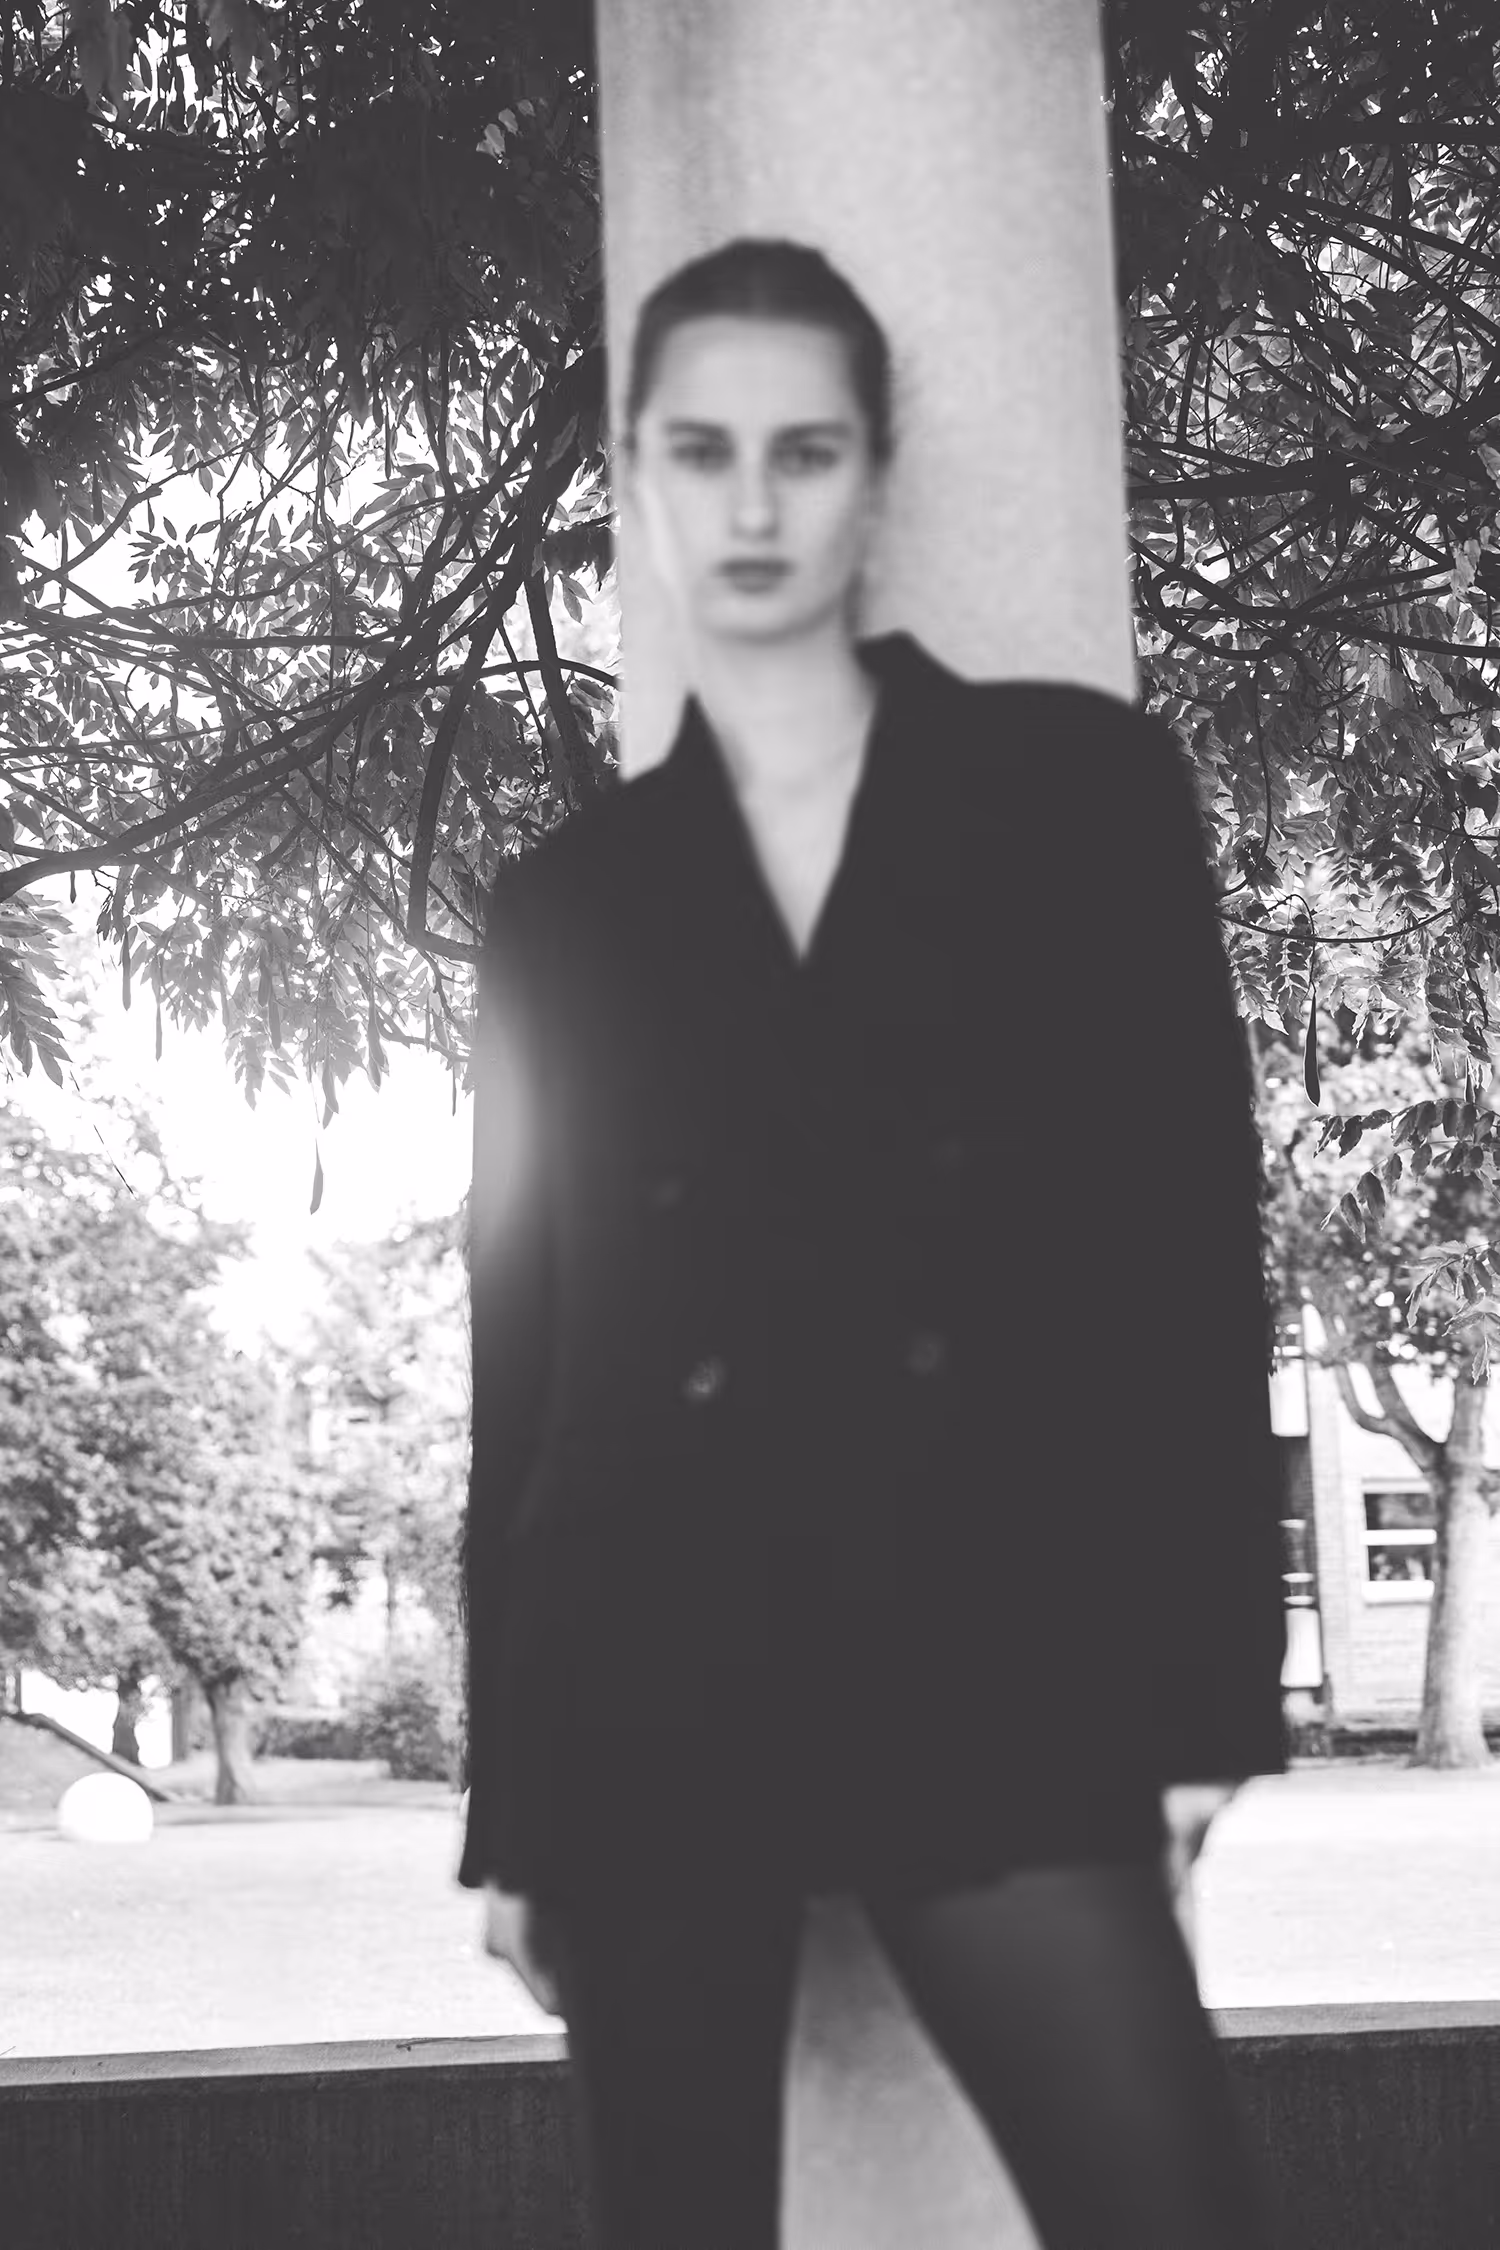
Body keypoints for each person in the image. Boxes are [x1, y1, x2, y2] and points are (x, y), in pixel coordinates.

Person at [457, 236, 1287, 2250]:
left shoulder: (1076, 791)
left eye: (804, 450)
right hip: (655, 1674)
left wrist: (1197, 1711)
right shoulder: (567, 907)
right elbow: (532, 1359)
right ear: (636, 481)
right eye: (701, 450)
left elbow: (1187, 1256)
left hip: (990, 1634)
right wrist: (513, 1807)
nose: (751, 507)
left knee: (1160, 2214)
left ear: (873, 476)